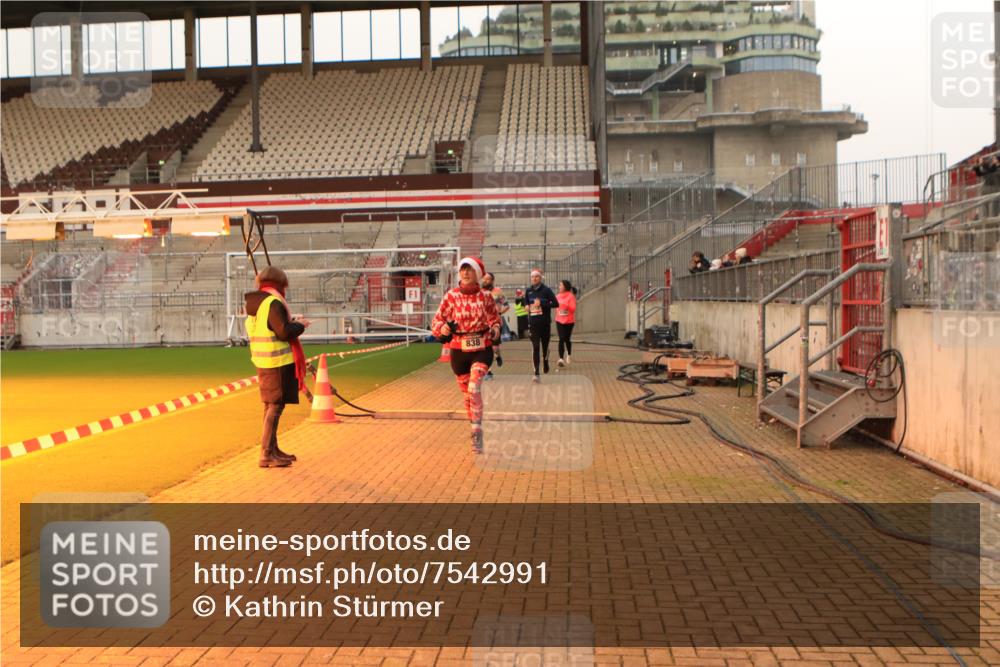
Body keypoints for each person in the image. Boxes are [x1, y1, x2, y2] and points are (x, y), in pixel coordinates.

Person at [431, 257, 501, 454]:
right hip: (459, 351)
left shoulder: (486, 296)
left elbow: (494, 318)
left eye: (469, 269)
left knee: (474, 387)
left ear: (477, 273)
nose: (465, 273)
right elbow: (437, 321)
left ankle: (477, 431)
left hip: (482, 348)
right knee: (467, 396)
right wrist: (443, 328)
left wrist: (495, 329)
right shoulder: (451, 296)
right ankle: (474, 426)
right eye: (463, 269)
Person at [245, 266, 311, 468]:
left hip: (263, 361)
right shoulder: (272, 302)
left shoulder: (256, 304)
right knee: (275, 407)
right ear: (280, 284)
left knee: (270, 406)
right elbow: (283, 332)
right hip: (277, 362)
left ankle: (272, 449)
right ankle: (266, 453)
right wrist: (300, 325)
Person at [524, 268, 558, 383]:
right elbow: (526, 303)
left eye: (536, 276)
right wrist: (526, 307)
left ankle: (546, 360)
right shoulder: (528, 291)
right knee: (535, 347)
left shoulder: (546, 290)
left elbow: (555, 303)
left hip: (545, 323)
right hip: (533, 324)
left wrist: (542, 303)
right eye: (532, 277)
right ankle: (536, 373)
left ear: (540, 278)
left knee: (544, 347)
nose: (534, 278)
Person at [481, 271, 508, 379]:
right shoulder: (480, 292)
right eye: (484, 279)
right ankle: (488, 371)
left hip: (495, 323)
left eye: (488, 279)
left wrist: (499, 313)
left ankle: (498, 355)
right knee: (486, 348)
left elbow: (506, 305)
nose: (485, 281)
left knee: (495, 348)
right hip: (483, 323)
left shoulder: (498, 291)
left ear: (492, 281)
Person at [555, 279, 577, 368]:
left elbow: (573, 309)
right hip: (559, 320)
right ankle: (561, 358)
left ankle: (569, 354)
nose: (559, 287)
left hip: (569, 321)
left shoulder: (571, 296)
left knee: (567, 339)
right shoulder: (557, 296)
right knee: (561, 338)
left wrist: (566, 305)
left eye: (560, 285)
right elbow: (554, 305)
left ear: (565, 287)